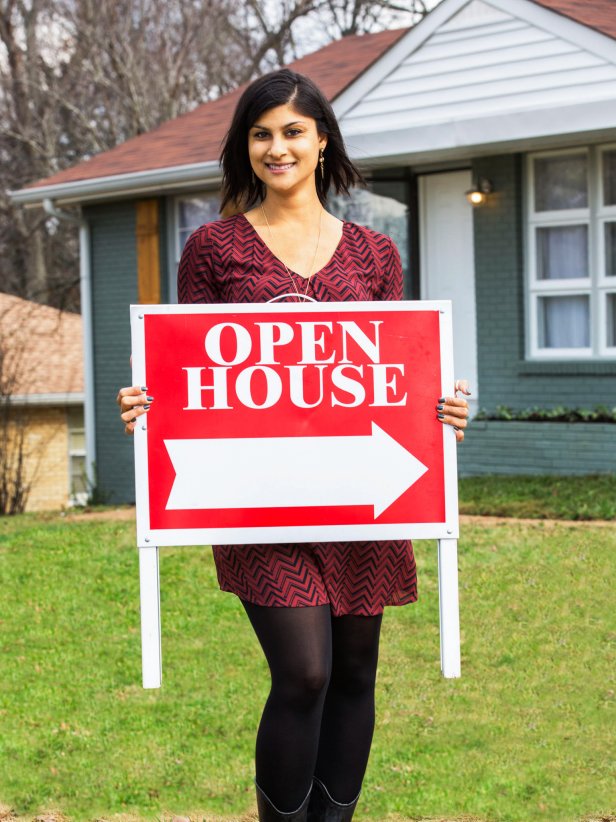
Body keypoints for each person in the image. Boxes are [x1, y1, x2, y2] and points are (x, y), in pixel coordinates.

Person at [117, 68, 470, 822]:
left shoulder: (374, 255)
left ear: (322, 141)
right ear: (246, 147)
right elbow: (186, 370)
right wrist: (146, 400)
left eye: (292, 131)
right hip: (259, 500)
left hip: (362, 494)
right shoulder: (212, 249)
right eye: (261, 133)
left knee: (353, 673)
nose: (277, 148)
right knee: (304, 672)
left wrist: (443, 407)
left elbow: (397, 368)